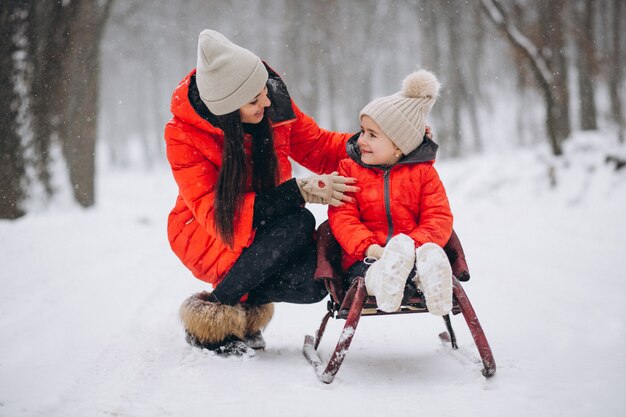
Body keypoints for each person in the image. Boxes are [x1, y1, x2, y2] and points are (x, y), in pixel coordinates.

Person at [165, 29, 359, 356]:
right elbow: (216, 216)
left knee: (315, 280)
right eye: (254, 100)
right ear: (227, 109)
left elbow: (321, 148)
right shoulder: (184, 135)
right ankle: (214, 314)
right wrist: (298, 192)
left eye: (264, 92)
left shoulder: (272, 105)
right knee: (298, 221)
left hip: (265, 232)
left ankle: (238, 305)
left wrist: (375, 141)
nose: (266, 102)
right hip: (206, 235)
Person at [328, 69, 454, 315]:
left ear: (399, 145)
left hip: (414, 255)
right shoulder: (349, 170)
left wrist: (412, 248)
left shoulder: (423, 174)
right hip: (365, 258)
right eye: (362, 131)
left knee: (421, 262)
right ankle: (387, 283)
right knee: (371, 273)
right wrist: (373, 249)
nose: (361, 140)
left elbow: (438, 218)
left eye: (372, 135)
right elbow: (343, 218)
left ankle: (432, 279)